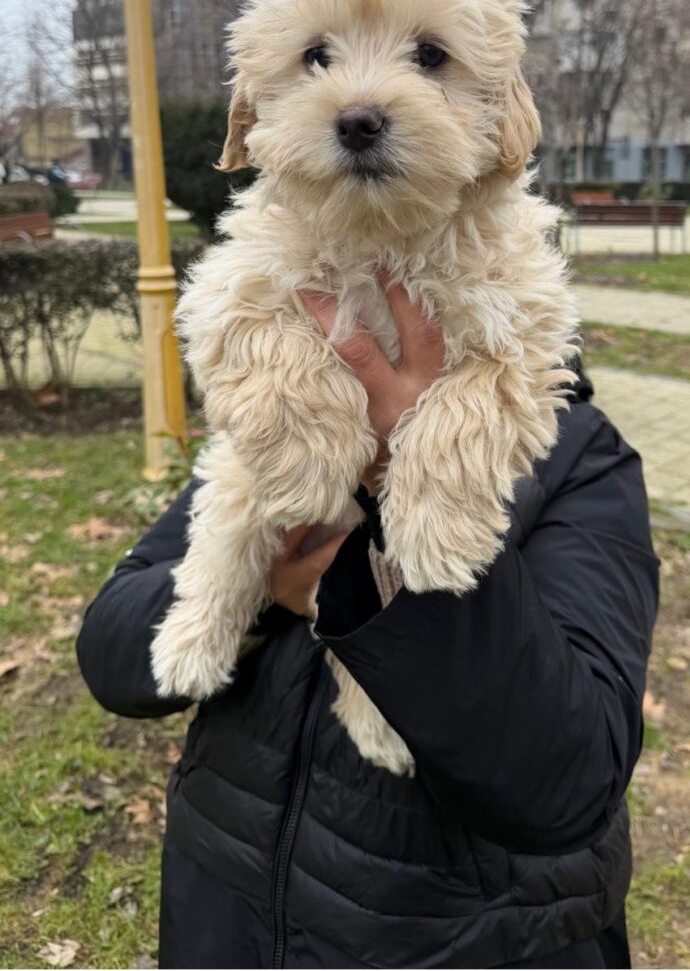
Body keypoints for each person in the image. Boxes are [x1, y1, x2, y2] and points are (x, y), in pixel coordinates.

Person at [77, 285, 658, 970]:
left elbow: (567, 782)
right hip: (225, 914)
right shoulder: (286, 420)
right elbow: (116, 652)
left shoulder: (583, 459)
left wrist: (403, 481)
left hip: (468, 942)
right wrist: (264, 590)